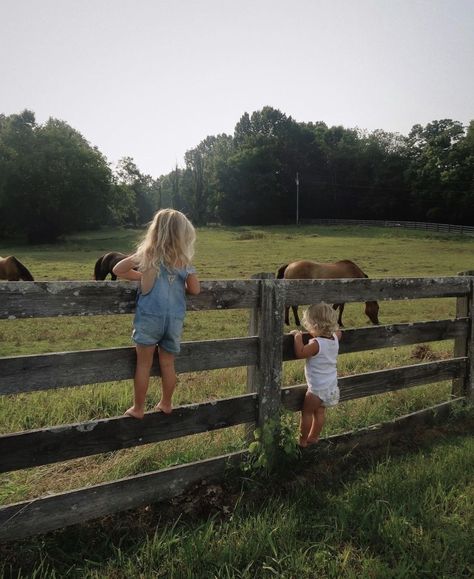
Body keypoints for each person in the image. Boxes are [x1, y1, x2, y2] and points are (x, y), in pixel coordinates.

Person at [112, 208, 200, 418]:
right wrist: (181, 286)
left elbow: (118, 269)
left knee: (143, 364)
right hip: (173, 322)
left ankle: (138, 408)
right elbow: (195, 290)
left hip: (149, 319)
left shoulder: (148, 255)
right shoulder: (184, 262)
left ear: (156, 231)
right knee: (168, 364)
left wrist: (139, 276)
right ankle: (166, 403)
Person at [291, 302, 342, 447]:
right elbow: (339, 333)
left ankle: (302, 441)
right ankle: (314, 437)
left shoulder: (316, 344)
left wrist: (297, 337)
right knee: (319, 413)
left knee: (306, 413)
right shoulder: (335, 339)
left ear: (314, 325)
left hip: (317, 389)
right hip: (331, 387)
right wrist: (334, 331)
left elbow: (300, 353)